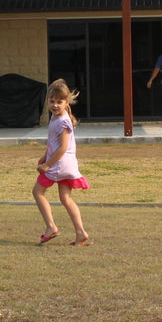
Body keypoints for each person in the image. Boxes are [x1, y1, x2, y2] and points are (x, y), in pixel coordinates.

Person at [33, 79, 91, 246]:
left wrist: (48, 164)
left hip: (59, 165)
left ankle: (51, 226)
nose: (55, 105)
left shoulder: (63, 121)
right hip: (67, 165)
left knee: (37, 192)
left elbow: (62, 148)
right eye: (52, 101)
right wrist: (45, 155)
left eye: (59, 102)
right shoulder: (58, 117)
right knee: (65, 198)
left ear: (67, 102)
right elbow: (54, 143)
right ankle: (81, 232)